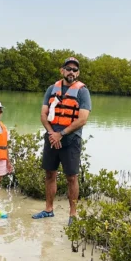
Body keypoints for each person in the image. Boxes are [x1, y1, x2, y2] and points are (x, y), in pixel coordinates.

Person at [34, 57, 92, 225]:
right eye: (68, 69)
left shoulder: (82, 92)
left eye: (74, 69)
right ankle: (48, 209)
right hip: (52, 138)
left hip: (71, 140)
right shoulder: (52, 89)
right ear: (62, 70)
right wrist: (52, 133)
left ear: (78, 73)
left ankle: (72, 215)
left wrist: (61, 134)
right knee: (49, 174)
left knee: (72, 177)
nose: (71, 72)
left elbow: (82, 119)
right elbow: (43, 114)